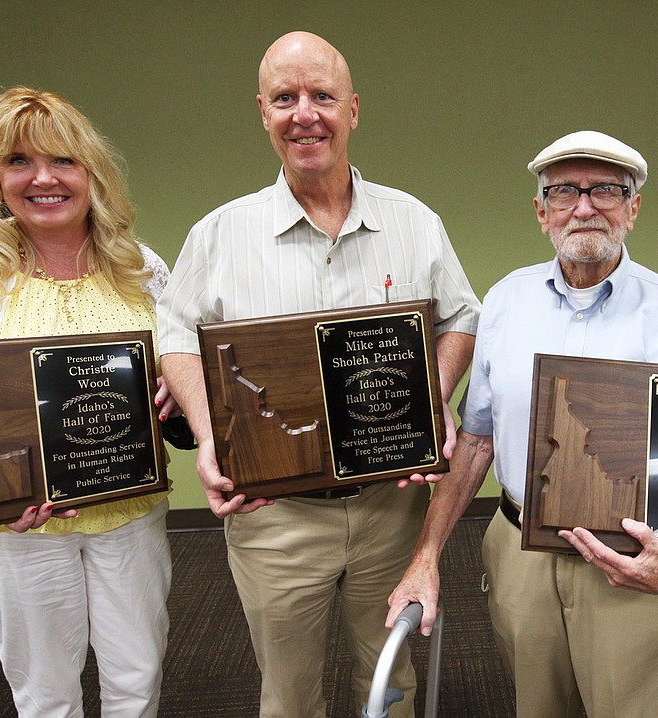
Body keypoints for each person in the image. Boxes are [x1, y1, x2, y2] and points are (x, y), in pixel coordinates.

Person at [156, 31, 479, 718]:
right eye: (284, 98)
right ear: (263, 113)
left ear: (353, 110)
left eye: (322, 96)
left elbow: (461, 318)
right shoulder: (218, 234)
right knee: (289, 696)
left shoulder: (414, 222)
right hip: (276, 518)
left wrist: (434, 397)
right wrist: (210, 433)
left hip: (392, 508)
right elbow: (176, 336)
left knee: (390, 684)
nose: (305, 113)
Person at [387, 130, 658, 718]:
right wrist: (426, 556)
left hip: (633, 563)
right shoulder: (504, 303)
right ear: (541, 212)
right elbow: (476, 441)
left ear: (634, 207)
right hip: (522, 557)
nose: (585, 206)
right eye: (564, 191)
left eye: (606, 190)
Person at [0, 87, 177, 718]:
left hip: (128, 512)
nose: (44, 179)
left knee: (138, 678)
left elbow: (178, 375)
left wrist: (174, 391)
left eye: (63, 161)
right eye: (19, 162)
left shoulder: (141, 268)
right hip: (15, 531)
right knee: (47, 696)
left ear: (92, 174)